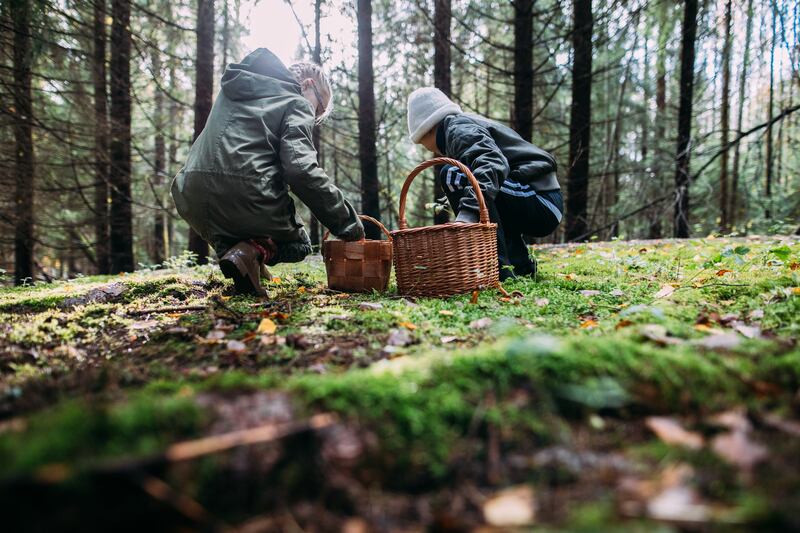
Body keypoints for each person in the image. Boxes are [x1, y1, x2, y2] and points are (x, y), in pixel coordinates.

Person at [171, 48, 364, 295]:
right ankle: (251, 252)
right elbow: (301, 170)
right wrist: (348, 223)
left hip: (189, 192)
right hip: (244, 191)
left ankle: (246, 265)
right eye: (318, 109)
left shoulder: (233, 89)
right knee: (300, 245)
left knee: (231, 217)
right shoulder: (296, 101)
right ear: (308, 84)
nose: (314, 117)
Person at [406, 87, 562, 279]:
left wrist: (467, 213)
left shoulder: (458, 129)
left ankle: (496, 269)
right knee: (483, 191)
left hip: (540, 200)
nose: (430, 149)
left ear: (429, 128)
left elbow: (493, 163)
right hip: (541, 199)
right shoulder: (460, 127)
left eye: (423, 142)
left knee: (453, 174)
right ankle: (519, 267)